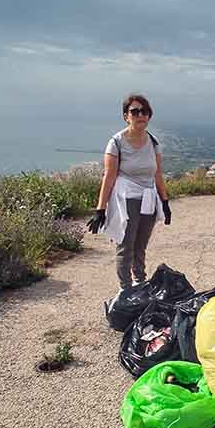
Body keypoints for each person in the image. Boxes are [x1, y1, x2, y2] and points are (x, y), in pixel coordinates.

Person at [87, 94, 172, 289]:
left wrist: (165, 202)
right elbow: (108, 176)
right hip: (126, 199)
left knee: (140, 247)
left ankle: (140, 284)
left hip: (149, 199)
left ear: (149, 116)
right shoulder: (116, 142)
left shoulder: (153, 142)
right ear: (126, 116)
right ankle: (125, 290)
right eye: (135, 111)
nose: (140, 115)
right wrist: (100, 209)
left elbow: (158, 173)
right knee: (126, 247)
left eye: (144, 111)